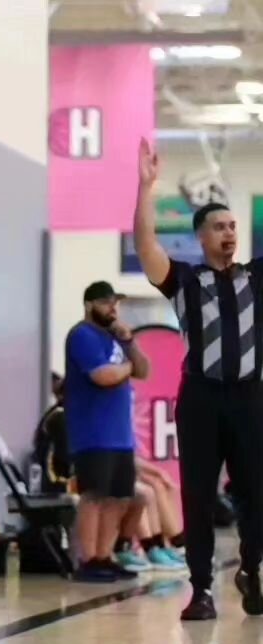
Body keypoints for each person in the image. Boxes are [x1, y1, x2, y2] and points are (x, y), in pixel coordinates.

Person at [135, 138, 263, 619]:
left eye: (233, 225)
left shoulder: (256, 278)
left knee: (256, 491)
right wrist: (146, 188)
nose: (229, 232)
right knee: (197, 493)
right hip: (202, 398)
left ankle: (253, 567)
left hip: (250, 396)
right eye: (219, 226)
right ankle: (202, 589)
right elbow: (145, 247)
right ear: (200, 237)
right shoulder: (185, 280)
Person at [64, 282, 151, 583]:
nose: (113, 308)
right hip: (93, 433)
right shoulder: (82, 336)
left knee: (120, 498)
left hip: (120, 434)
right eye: (105, 303)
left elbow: (143, 370)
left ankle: (104, 555)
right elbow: (103, 376)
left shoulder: (115, 339)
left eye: (115, 303)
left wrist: (129, 341)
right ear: (89, 305)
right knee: (94, 496)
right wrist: (126, 366)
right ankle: (87, 559)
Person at [32, 373, 70, 493]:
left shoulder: (56, 413)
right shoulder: (60, 416)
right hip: (59, 488)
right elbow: (66, 462)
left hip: (54, 486)